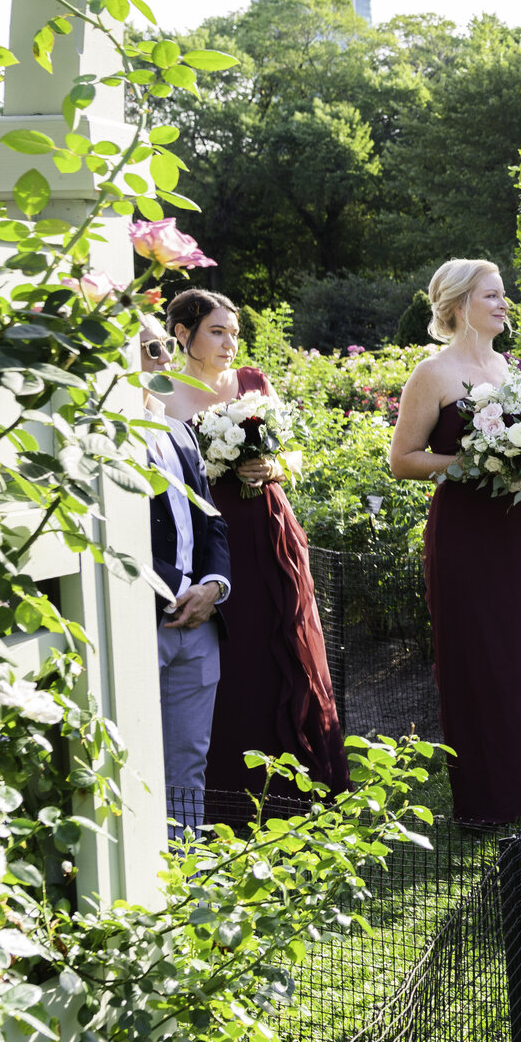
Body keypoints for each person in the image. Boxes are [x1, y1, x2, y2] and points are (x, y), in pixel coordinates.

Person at [389, 259, 521, 828]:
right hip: (467, 536)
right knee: (481, 660)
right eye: (492, 295)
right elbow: (403, 461)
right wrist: (470, 463)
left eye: (503, 295)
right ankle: (492, 800)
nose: (504, 303)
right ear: (460, 304)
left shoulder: (510, 369)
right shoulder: (433, 374)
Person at [161, 288, 349, 820]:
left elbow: (289, 453)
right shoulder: (163, 395)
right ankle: (230, 797)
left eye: (234, 333)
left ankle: (302, 787)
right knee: (234, 656)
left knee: (284, 647)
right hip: (212, 540)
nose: (229, 343)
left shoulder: (251, 384)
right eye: (217, 331)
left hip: (269, 530)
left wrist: (273, 466)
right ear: (183, 334)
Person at [137, 314, 229, 833]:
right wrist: (178, 590)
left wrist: (214, 588)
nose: (165, 358)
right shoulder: (107, 436)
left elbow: (213, 523)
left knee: (189, 762)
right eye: (151, 350)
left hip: (201, 624)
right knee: (136, 763)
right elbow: (117, 532)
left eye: (163, 348)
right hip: (147, 617)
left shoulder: (177, 431)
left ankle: (185, 874)